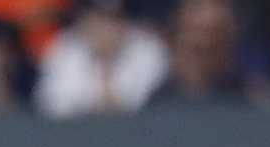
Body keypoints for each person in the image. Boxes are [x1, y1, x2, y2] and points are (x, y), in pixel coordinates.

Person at [35, 0, 169, 116]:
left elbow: (150, 107)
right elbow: (50, 108)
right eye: (98, 19)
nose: (105, 28)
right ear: (84, 21)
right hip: (76, 139)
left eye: (113, 20)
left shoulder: (148, 49)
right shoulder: (64, 50)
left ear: (126, 22)